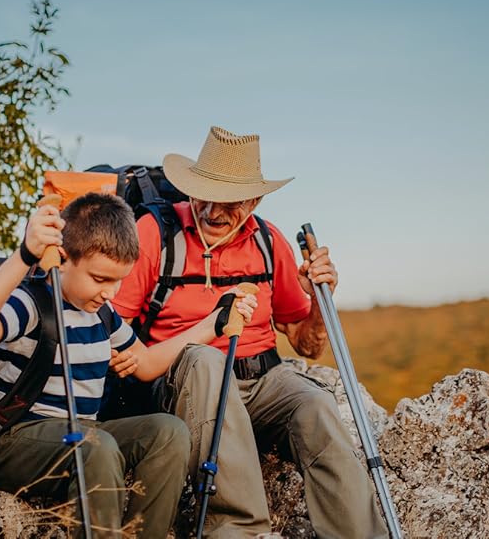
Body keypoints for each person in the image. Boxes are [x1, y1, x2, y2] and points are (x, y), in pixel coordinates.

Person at [110, 127, 390, 538]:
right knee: (206, 360)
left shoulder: (267, 240)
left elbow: (307, 344)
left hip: (261, 380)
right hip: (181, 386)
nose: (213, 211)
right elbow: (112, 328)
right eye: (203, 195)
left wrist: (318, 299)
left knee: (315, 403)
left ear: (255, 201)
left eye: (231, 201)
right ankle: (242, 531)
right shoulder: (155, 233)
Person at [0, 192, 257, 538]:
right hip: (15, 441)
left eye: (118, 281)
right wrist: (25, 255)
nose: (110, 292)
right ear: (63, 259)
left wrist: (212, 324)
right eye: (100, 279)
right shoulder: (33, 302)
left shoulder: (102, 314)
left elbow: (144, 363)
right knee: (95, 446)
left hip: (82, 435)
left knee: (169, 433)